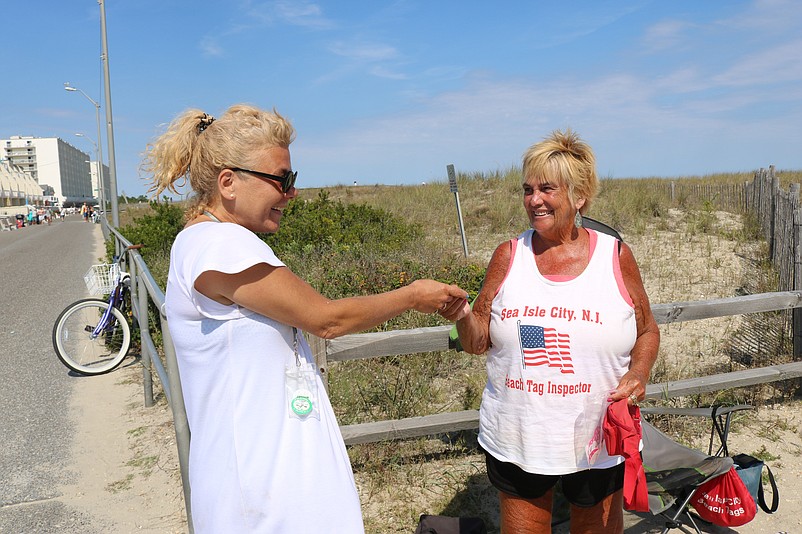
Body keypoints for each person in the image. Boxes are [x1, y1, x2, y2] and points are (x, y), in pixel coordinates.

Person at [143, 104, 469, 533]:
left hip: (260, 477)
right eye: (282, 179)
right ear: (229, 183)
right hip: (260, 492)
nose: (291, 193)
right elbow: (326, 319)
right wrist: (411, 296)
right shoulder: (219, 247)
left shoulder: (205, 241)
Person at [455, 129, 659, 533]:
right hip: (519, 434)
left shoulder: (614, 256)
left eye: (546, 189)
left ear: (579, 196)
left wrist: (638, 374)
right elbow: (477, 341)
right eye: (527, 189)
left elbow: (647, 331)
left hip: (598, 438)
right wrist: (462, 313)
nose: (534, 200)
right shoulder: (508, 255)